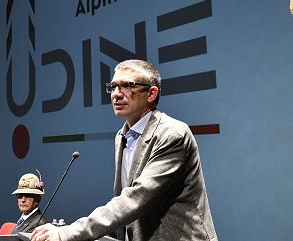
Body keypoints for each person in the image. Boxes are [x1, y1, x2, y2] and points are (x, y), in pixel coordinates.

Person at [31, 59, 218, 241]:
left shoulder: (173, 134)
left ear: (151, 94)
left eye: (127, 86)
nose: (116, 94)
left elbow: (137, 198)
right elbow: (124, 199)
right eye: (113, 87)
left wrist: (69, 233)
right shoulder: (122, 136)